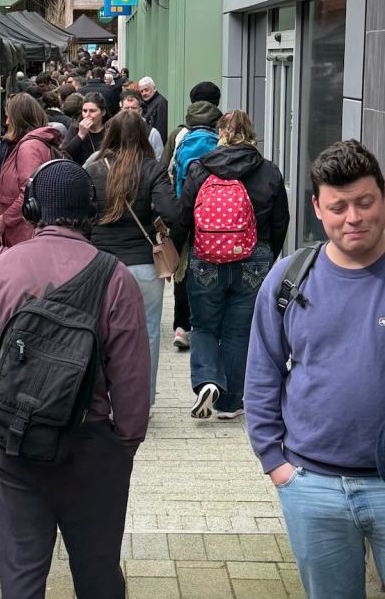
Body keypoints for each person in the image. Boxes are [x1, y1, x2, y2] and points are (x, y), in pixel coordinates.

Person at [0, 158, 150, 599]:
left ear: (38, 208)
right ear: (91, 210)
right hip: (92, 442)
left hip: (17, 446)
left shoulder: (0, 270)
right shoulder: (114, 276)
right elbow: (131, 377)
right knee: (95, 553)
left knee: (21, 568)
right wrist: (126, 440)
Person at [245, 140, 385, 599]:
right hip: (313, 486)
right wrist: (275, 463)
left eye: (366, 203)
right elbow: (262, 372)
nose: (354, 218)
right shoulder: (290, 277)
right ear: (317, 210)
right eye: (339, 207)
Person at [175, 110, 289, 420]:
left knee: (204, 326)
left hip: (206, 257)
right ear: (252, 134)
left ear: (220, 134)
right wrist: (267, 256)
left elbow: (184, 215)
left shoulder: (201, 169)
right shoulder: (269, 171)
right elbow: (281, 222)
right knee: (239, 333)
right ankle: (230, 404)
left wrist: (182, 251)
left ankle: (207, 381)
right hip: (254, 257)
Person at [86, 112, 179, 409]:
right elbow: (173, 213)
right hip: (144, 263)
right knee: (149, 332)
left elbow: (82, 217)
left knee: (103, 331)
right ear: (143, 135)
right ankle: (142, 403)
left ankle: (106, 399)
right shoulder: (152, 169)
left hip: (103, 264)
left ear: (109, 134)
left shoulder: (93, 169)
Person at [162, 83, 223, 352]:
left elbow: (166, 171)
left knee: (182, 270)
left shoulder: (178, 135)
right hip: (217, 213)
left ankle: (181, 327)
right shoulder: (222, 136)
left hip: (183, 212)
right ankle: (209, 324)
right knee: (214, 265)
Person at [0, 93, 63, 247]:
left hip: (25, 233)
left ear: (19, 119)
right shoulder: (34, 143)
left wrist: (5, 219)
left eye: (9, 117)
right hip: (27, 230)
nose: (7, 122)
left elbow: (30, 192)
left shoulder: (29, 147)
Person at [63, 92, 109, 165]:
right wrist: (80, 135)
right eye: (84, 111)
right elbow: (65, 155)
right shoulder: (75, 128)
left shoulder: (110, 129)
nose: (87, 115)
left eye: (92, 111)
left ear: (103, 112)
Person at [120, 89, 164, 160]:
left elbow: (159, 161)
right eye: (127, 108)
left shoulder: (152, 134)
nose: (130, 111)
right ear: (121, 110)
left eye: (134, 108)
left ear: (140, 111)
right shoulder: (115, 130)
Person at [138, 76, 169, 144]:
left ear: (154, 89)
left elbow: (161, 130)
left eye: (146, 90)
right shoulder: (146, 103)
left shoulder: (161, 104)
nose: (144, 93)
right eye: (141, 91)